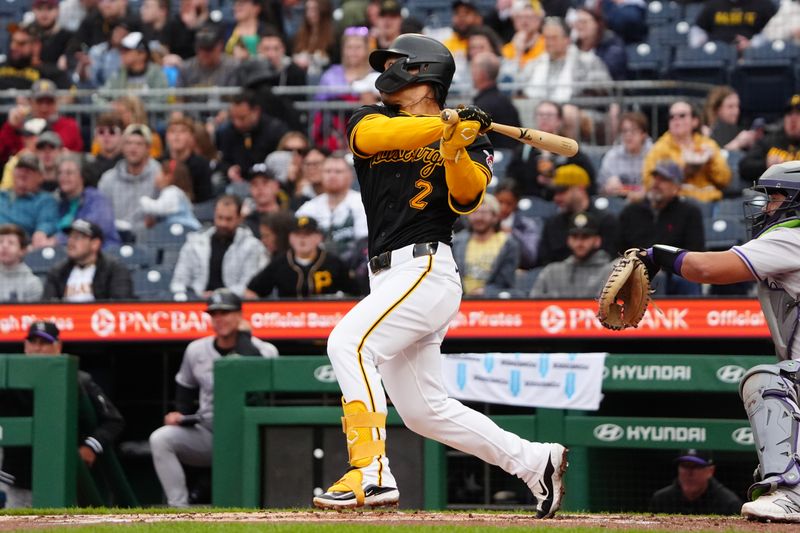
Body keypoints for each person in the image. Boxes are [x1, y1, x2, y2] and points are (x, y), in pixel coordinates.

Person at [312, 34, 567, 519]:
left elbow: (467, 199)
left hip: (425, 266)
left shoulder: (473, 135)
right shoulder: (372, 118)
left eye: (395, 63)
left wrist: (456, 146)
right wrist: (442, 128)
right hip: (387, 276)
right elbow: (371, 141)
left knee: (348, 343)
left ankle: (371, 472)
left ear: (422, 72)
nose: (386, 71)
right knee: (425, 411)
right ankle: (536, 462)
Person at [633, 160, 800, 522]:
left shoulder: (794, 236)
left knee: (768, 381)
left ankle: (792, 494)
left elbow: (709, 269)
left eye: (775, 198)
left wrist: (658, 253)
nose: (767, 206)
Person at [149, 288, 278, 507]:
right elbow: (185, 387)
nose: (219, 319)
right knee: (161, 439)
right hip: (210, 432)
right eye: (214, 314)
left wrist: (244, 337)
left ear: (239, 315)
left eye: (225, 313)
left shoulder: (264, 350)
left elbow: (258, 376)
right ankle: (179, 509)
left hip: (251, 436)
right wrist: (180, 415)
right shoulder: (196, 350)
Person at [0, 321, 125, 508]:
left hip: (65, 475)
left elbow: (114, 420)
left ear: (57, 346)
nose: (37, 348)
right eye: (33, 342)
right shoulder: (10, 378)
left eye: (44, 343)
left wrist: (90, 446)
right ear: (25, 346)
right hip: (19, 476)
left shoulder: (78, 379)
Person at [618, 161, 705, 296]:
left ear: (676, 187)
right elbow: (619, 248)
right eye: (655, 178)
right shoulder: (631, 211)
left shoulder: (689, 213)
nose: (656, 183)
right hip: (634, 269)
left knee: (687, 279)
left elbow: (694, 252)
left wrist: (663, 267)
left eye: (664, 180)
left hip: (673, 271)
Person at [170, 195, 267, 298]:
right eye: (219, 217)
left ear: (239, 218)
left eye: (228, 219)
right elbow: (178, 282)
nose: (223, 223)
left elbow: (248, 286)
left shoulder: (252, 246)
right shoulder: (194, 243)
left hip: (235, 304)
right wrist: (197, 295)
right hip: (198, 303)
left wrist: (218, 295)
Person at [642, 100, 731, 203]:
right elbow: (648, 182)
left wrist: (711, 162)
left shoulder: (708, 145)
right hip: (675, 203)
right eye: (672, 117)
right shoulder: (659, 148)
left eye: (682, 115)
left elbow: (725, 180)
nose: (676, 119)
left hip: (709, 202)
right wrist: (682, 171)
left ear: (694, 121)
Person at [245, 216, 354, 298]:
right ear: (290, 238)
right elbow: (251, 291)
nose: (302, 239)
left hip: (326, 320)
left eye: (308, 234)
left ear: (319, 237)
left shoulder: (333, 263)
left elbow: (355, 293)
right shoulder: (280, 263)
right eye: (297, 234)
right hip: (288, 321)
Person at [506, 100, 596, 199]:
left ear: (559, 120)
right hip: (529, 200)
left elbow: (589, 180)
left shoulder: (569, 149)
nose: (544, 118)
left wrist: (557, 180)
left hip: (562, 202)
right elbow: (512, 178)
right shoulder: (523, 151)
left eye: (549, 115)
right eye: (540, 115)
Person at [537, 164, 618, 266]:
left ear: (581, 187)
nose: (556, 198)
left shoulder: (606, 221)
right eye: (555, 192)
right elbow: (544, 263)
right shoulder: (553, 224)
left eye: (562, 191)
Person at [295, 155, 368, 266]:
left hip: (355, 267)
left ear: (350, 176)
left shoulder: (362, 203)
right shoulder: (309, 208)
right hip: (318, 267)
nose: (332, 176)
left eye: (338, 172)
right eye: (328, 171)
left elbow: (363, 242)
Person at [43, 219, 134, 301]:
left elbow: (121, 305)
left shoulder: (114, 270)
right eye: (70, 237)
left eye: (77, 238)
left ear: (95, 244)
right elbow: (46, 306)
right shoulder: (58, 271)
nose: (70, 242)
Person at [530, 211, 614, 298]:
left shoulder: (611, 273)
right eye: (575, 237)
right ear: (568, 240)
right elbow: (533, 307)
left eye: (585, 237)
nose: (579, 242)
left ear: (597, 241)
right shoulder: (551, 272)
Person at [452, 194, 521, 296]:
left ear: (495, 216)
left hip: (494, 302)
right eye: (474, 212)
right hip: (460, 299)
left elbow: (506, 282)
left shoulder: (508, 243)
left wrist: (486, 292)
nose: (479, 217)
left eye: (484, 213)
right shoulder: (457, 242)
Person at [216, 91, 289, 185]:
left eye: (242, 118)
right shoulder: (227, 131)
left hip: (270, 182)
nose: (237, 123)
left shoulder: (275, 130)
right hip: (238, 183)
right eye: (233, 118)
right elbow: (222, 160)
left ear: (256, 111)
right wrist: (229, 169)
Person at [98, 124, 161, 230]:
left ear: (148, 148)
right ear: (122, 147)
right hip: (116, 238)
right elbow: (102, 214)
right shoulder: (108, 179)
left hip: (150, 237)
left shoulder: (159, 176)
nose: (133, 148)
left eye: (139, 144)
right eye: (128, 143)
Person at [55, 153, 121, 247]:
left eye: (69, 173)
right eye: (60, 173)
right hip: (71, 254)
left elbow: (91, 231)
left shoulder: (97, 199)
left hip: (103, 254)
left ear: (82, 176)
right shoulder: (59, 201)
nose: (63, 177)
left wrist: (57, 240)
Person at [649, 449, 743, 515]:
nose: (689, 473)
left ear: (710, 471)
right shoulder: (661, 500)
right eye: (685, 466)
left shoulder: (729, 504)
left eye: (696, 466)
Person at [0, 154, 59, 248]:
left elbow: (47, 222)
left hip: (21, 249)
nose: (23, 173)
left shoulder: (45, 200)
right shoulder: (2, 195)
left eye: (29, 170)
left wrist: (41, 232)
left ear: (40, 177)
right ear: (13, 172)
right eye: (20, 168)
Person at [740, 94, 800, 184]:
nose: (793, 119)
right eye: (789, 114)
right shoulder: (770, 139)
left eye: (798, 113)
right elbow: (744, 167)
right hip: (772, 194)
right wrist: (765, 164)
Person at [470, 51, 522, 152]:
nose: (471, 73)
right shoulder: (505, 101)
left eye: (473, 69)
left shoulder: (483, 106)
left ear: (482, 74)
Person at [597, 111, 652, 197]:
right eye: (624, 131)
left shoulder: (654, 154)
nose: (628, 135)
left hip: (647, 203)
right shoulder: (612, 156)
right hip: (618, 203)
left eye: (633, 131)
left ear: (643, 134)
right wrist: (607, 187)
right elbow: (599, 188)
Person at [689, 0, 777, 51]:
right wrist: (702, 47)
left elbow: (772, 31)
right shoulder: (713, 4)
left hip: (751, 54)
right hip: (718, 51)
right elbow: (698, 29)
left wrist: (753, 44)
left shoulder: (763, 4)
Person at [494, 179, 542, 269]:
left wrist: (512, 233)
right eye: (500, 202)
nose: (503, 208)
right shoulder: (485, 222)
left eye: (509, 204)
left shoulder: (527, 225)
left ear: (516, 203)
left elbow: (531, 257)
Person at [164, 115, 214, 203]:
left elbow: (205, 199)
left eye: (182, 131)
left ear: (191, 136)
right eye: (172, 131)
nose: (177, 135)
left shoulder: (201, 165)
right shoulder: (161, 162)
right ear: (167, 136)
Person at [139, 161, 201, 231]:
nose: (155, 176)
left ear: (168, 177)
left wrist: (143, 200)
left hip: (185, 229)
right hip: (176, 231)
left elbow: (159, 208)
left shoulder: (172, 192)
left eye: (159, 173)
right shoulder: (174, 193)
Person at [703, 86, 758, 153]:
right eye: (730, 107)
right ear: (717, 109)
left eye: (737, 106)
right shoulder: (705, 132)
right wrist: (737, 143)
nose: (736, 111)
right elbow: (715, 157)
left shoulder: (737, 128)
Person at [0, 224, 44, 302]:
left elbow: (33, 313)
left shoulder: (32, 283)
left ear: (22, 250)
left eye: (11, 243)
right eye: (1, 241)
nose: (4, 246)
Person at [83, 113, 125, 188]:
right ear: (95, 137)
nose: (106, 135)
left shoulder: (129, 165)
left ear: (122, 135)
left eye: (112, 131)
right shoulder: (89, 168)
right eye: (101, 131)